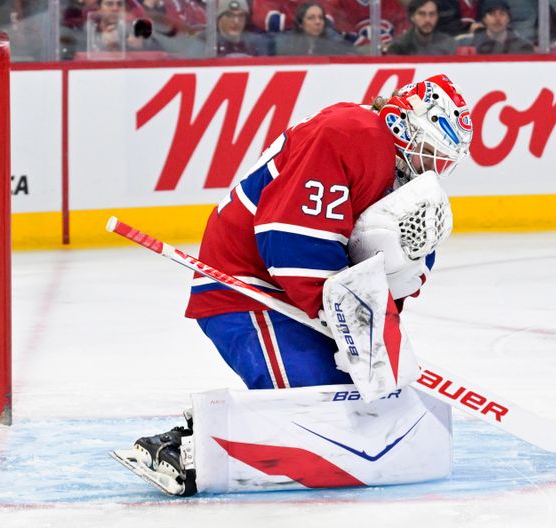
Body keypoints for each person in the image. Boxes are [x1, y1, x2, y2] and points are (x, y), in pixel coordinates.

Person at [126, 74, 474, 496]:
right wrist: (347, 323)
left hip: (303, 296)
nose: (432, 167)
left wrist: (378, 331)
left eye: (442, 158)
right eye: (429, 151)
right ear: (402, 124)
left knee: (363, 409)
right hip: (247, 287)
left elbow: (396, 270)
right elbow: (288, 237)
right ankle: (186, 449)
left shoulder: (402, 180)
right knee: (322, 410)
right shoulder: (349, 133)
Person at [189, 0, 272, 57]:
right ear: (219, 18)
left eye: (241, 16)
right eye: (229, 15)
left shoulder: (257, 43)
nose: (236, 21)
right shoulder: (204, 41)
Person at [274, 2, 355, 55]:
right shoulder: (286, 44)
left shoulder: (334, 41)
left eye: (321, 18)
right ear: (300, 24)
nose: (317, 22)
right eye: (311, 18)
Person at [454, 0, 534, 54]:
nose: (497, 19)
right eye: (492, 14)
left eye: (502, 14)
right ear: (484, 19)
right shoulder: (465, 43)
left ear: (509, 18)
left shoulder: (523, 46)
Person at [386, 0, 457, 55]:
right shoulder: (398, 46)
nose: (427, 19)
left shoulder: (449, 44)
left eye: (432, 14)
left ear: (437, 17)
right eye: (422, 14)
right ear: (412, 17)